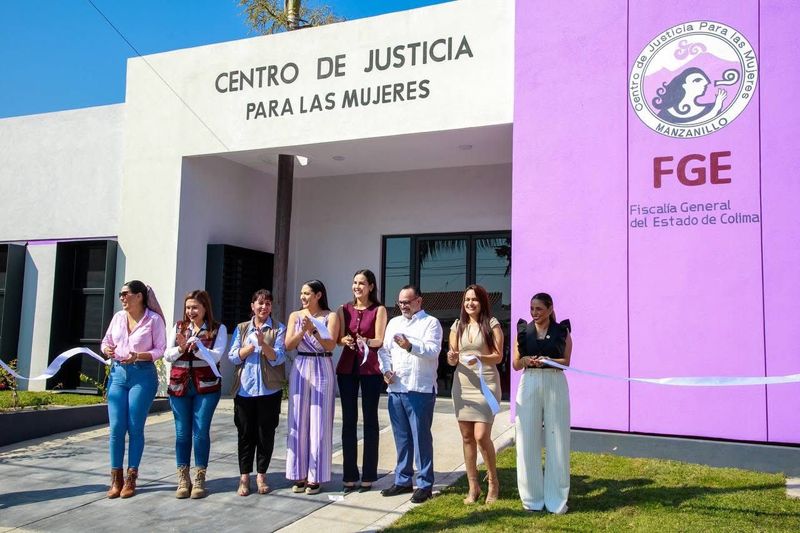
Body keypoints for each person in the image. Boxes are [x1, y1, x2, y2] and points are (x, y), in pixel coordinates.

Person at [100, 280, 166, 499]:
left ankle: (131, 477)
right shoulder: (118, 318)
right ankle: (115, 478)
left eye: (125, 294)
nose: (122, 298)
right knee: (116, 427)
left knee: (135, 426)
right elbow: (106, 341)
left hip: (142, 375)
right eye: (120, 294)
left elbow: (160, 349)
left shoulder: (154, 320)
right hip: (118, 374)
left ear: (139, 296)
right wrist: (106, 349)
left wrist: (139, 355)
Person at [379, 285, 443, 504]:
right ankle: (403, 480)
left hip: (420, 389)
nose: (403, 306)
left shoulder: (430, 323)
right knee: (402, 438)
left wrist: (409, 346)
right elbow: (384, 351)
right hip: (396, 388)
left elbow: (433, 351)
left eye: (407, 302)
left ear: (419, 301)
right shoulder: (394, 323)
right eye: (400, 302)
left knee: (421, 438)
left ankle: (425, 483)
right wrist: (385, 370)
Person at [163, 290, 227, 499]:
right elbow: (167, 355)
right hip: (180, 385)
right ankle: (183, 478)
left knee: (200, 431)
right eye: (188, 307)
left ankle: (199, 477)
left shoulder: (218, 329)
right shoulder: (179, 327)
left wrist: (197, 347)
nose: (191, 311)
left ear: (205, 308)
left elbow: (216, 355)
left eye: (195, 307)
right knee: (182, 433)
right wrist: (181, 348)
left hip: (206, 386)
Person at [513, 292, 572, 514]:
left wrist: (548, 361)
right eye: (531, 309)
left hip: (555, 382)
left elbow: (566, 362)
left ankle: (557, 500)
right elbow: (516, 364)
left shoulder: (562, 331)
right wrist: (526, 360)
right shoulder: (522, 331)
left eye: (538, 309)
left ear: (549, 309)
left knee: (558, 440)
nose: (534, 313)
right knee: (527, 438)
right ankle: (531, 499)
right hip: (529, 382)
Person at [446, 284, 503, 504]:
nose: (470, 303)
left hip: (486, 383)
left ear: (482, 303)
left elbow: (498, 356)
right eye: (467, 299)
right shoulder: (457, 326)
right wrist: (451, 358)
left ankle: (493, 482)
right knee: (467, 437)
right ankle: (473, 486)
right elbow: (453, 356)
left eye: (475, 300)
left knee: (481, 436)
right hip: (462, 385)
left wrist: (479, 358)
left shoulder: (492, 324)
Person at [228, 289, 286, 496]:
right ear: (252, 306)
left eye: (268, 304)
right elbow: (233, 357)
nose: (264, 307)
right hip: (245, 391)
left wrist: (262, 344)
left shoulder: (278, 329)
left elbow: (278, 357)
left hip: (269, 391)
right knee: (245, 434)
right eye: (260, 303)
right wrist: (250, 348)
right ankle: (244, 477)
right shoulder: (242, 328)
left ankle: (261, 474)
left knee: (265, 434)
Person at [285, 280, 339, 495]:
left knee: (319, 421)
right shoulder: (295, 316)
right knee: (297, 420)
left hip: (322, 364)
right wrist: (302, 331)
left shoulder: (330, 316)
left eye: (307, 293)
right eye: (301, 293)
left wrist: (314, 331)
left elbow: (330, 345)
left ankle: (315, 476)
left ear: (318, 295)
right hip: (301, 364)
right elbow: (288, 345)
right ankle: (298, 473)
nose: (303, 297)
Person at [336, 269, 387, 493]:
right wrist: (343, 340)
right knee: (348, 421)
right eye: (355, 282)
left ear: (371, 286)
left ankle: (368, 475)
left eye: (362, 283)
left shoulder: (379, 310)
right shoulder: (343, 309)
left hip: (370, 370)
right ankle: (349, 476)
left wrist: (365, 340)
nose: (357, 287)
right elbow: (336, 338)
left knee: (370, 421)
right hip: (347, 369)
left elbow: (380, 340)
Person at [651, 67, 727, 125]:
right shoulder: (665, 114)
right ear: (683, 85)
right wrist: (716, 108)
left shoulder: (709, 108)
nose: (705, 83)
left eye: (705, 81)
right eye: (697, 80)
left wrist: (716, 107)